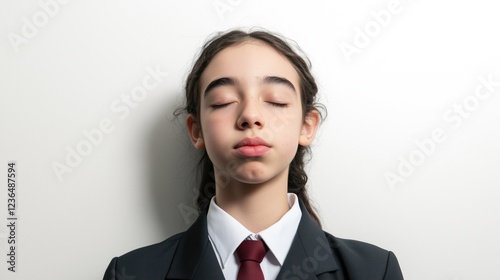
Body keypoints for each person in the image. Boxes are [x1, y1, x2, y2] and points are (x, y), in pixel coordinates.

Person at [103, 29, 404, 280]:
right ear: (196, 131)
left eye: (276, 100)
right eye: (223, 101)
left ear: (307, 126)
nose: (250, 115)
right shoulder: (131, 272)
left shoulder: (375, 271)